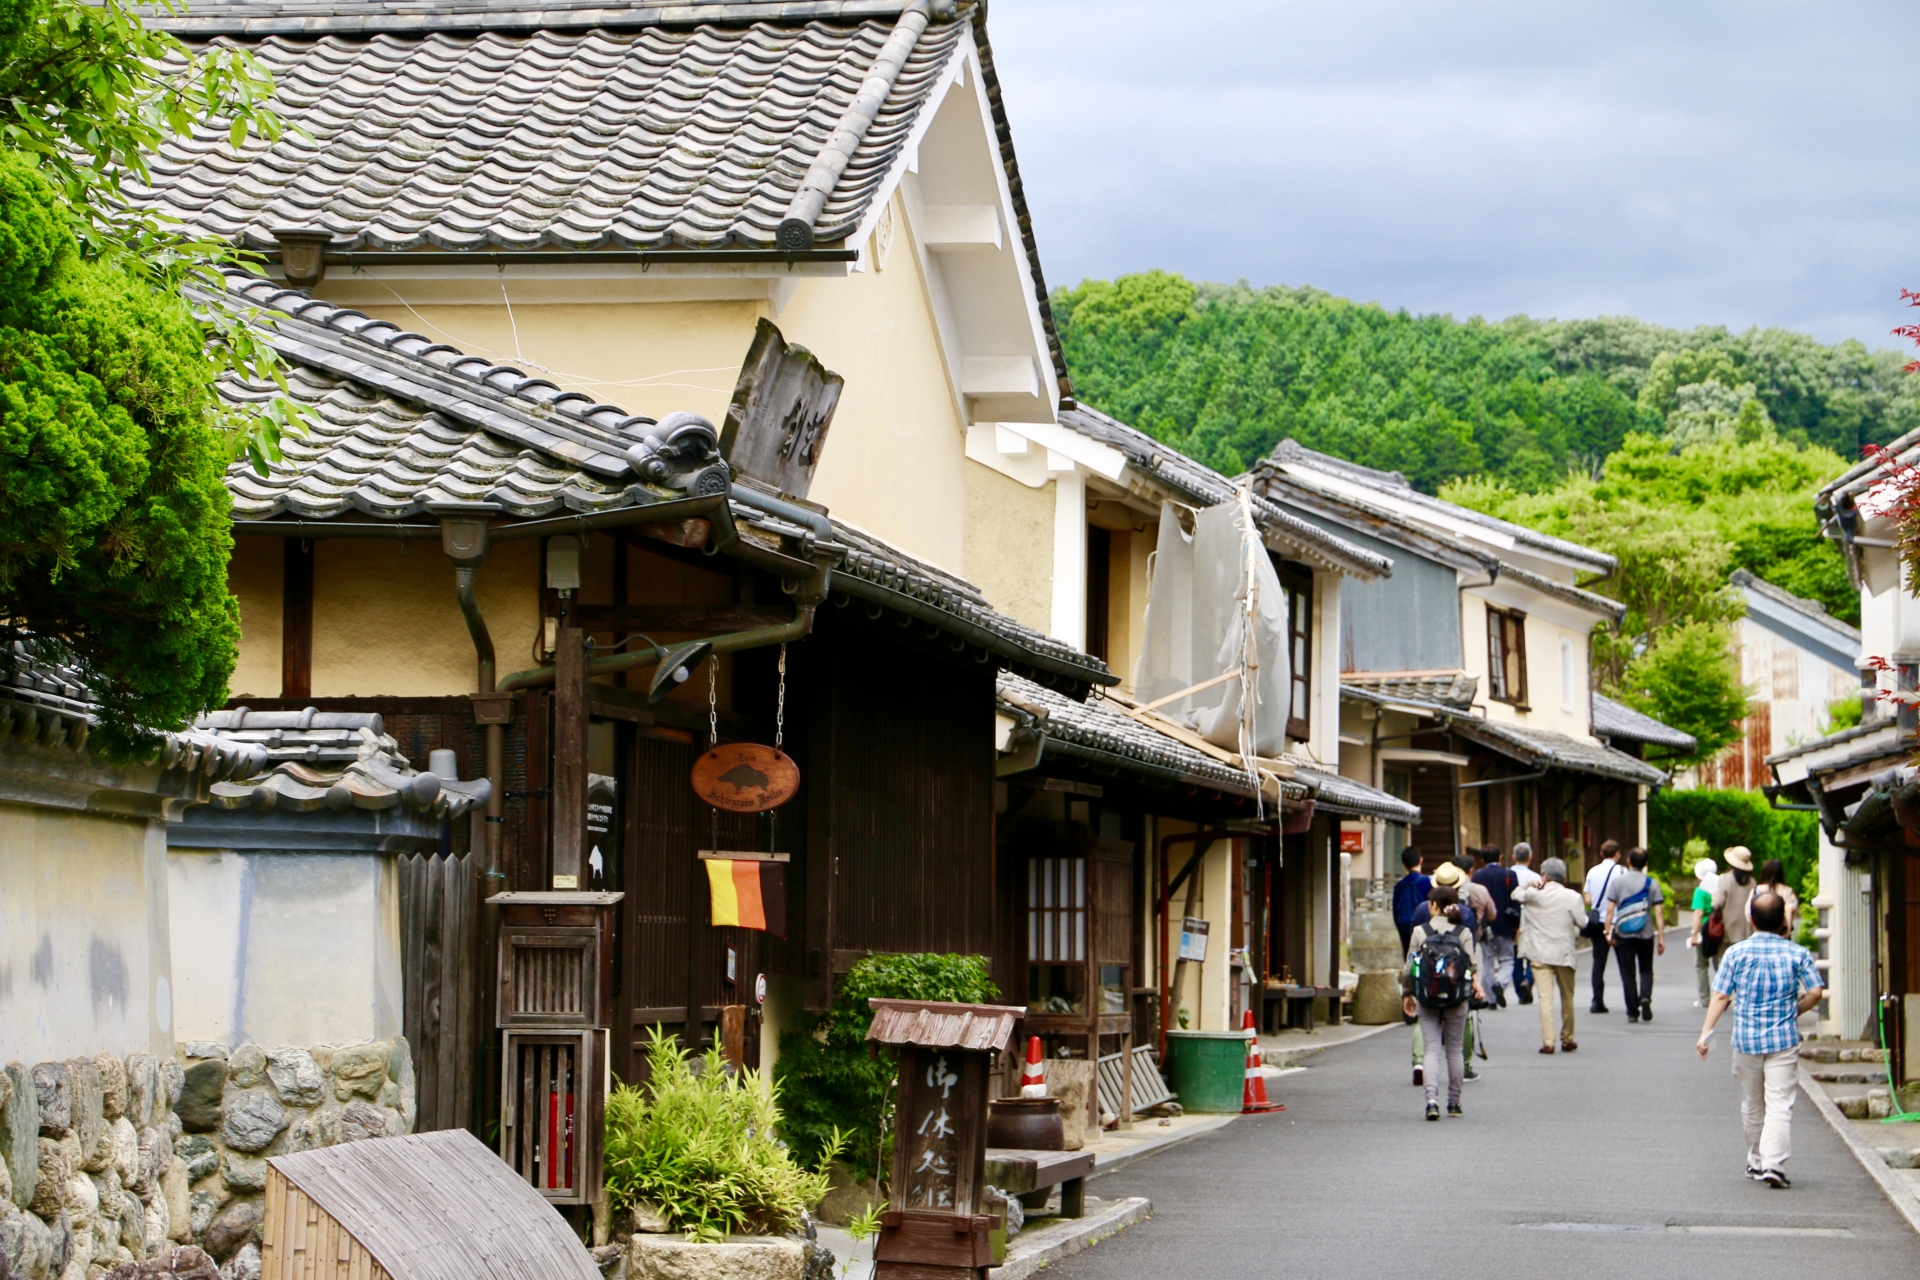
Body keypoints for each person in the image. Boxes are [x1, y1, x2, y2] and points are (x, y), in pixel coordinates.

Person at [1696, 891, 1823, 1189]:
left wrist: (1705, 1033)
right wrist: (1795, 1010)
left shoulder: (1736, 953)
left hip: (1747, 1041)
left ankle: (1756, 1161)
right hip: (1783, 1040)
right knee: (1780, 1103)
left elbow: (1721, 995)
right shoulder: (1797, 954)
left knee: (1753, 1104)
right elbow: (1816, 991)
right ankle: (1774, 1165)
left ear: (1750, 919)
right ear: (1783, 921)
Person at [1403, 883, 1484, 1120]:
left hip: (1427, 997)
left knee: (1431, 1049)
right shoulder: (1463, 932)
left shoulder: (1420, 931)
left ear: (1434, 905)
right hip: (1457, 998)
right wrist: (1476, 986)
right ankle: (1454, 1103)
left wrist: (1407, 993)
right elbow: (1472, 965)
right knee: (1455, 1050)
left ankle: (1431, 1101)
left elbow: (1410, 966)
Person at [1513, 856, 1586, 1053]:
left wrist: (1530, 883)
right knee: (1567, 996)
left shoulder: (1533, 896)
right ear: (1563, 876)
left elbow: (1515, 894)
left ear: (1544, 875)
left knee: (1545, 998)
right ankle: (1568, 1038)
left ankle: (1548, 1042)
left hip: (1539, 953)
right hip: (1563, 953)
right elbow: (1583, 922)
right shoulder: (1572, 896)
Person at [1602, 846, 1665, 1022]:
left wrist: (1607, 931)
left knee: (1627, 973)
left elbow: (1609, 910)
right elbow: (1658, 912)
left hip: (1624, 933)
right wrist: (1661, 937)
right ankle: (1645, 996)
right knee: (1646, 969)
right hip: (1645, 934)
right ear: (1646, 863)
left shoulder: (1617, 883)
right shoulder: (1651, 883)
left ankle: (1632, 1012)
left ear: (1628, 861)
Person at [1472, 846, 1519, 1007]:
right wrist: (1516, 925)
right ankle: (1500, 983)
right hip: (1505, 923)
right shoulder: (1509, 875)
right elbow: (1515, 900)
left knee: (1487, 961)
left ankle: (1490, 999)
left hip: (1484, 925)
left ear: (1482, 860)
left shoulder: (1477, 876)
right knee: (1507, 959)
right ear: (1500, 857)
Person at [1584, 840, 1624, 1013]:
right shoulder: (1622, 871)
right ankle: (1632, 1000)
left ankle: (1597, 1000)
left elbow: (1587, 899)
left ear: (1601, 854)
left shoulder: (1593, 871)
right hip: (1618, 922)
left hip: (1598, 922)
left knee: (1598, 963)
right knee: (1625, 964)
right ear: (1617, 854)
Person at [1688, 856, 1719, 1008]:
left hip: (1706, 930)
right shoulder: (1720, 888)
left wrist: (1694, 932)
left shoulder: (1700, 891)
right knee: (1720, 964)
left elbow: (1698, 913)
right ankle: (1724, 996)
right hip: (1720, 929)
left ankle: (1705, 998)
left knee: (1701, 964)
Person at [1713, 845, 1757, 948]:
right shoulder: (1752, 882)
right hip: (1748, 930)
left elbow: (1718, 903)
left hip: (1728, 929)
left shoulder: (1726, 878)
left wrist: (1713, 898)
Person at [1392, 848, 1431, 956]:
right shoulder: (1427, 882)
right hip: (1424, 927)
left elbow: (1395, 911)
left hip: (1405, 926)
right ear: (1421, 860)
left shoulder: (1399, 886)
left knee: (1409, 957)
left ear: (1403, 864)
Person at [1747, 858, 1800, 934]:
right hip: (1782, 934)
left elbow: (1748, 914)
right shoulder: (1788, 892)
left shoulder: (1756, 891)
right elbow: (1793, 908)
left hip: (1759, 933)